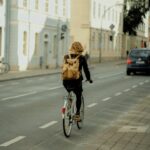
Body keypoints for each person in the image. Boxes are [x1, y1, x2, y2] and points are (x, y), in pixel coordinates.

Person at [62, 41, 93, 120]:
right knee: (78, 96)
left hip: (66, 81)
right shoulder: (82, 58)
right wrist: (89, 79)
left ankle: (68, 106)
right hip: (76, 81)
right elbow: (86, 70)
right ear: (80, 48)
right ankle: (77, 114)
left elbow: (64, 68)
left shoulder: (66, 57)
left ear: (72, 48)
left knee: (69, 92)